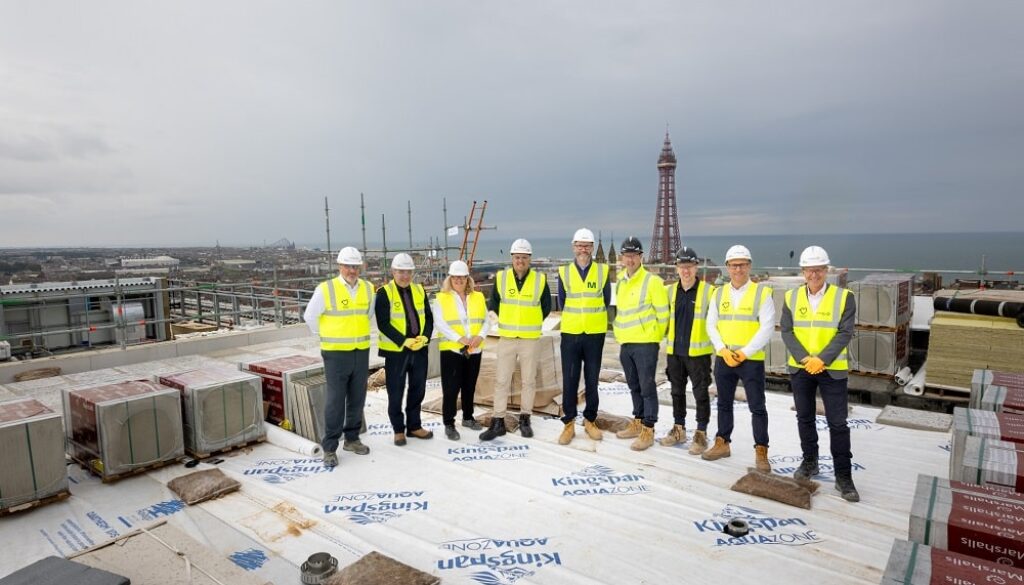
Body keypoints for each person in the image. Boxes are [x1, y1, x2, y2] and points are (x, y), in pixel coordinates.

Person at [781, 246, 860, 502]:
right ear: (803, 272)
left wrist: (822, 360)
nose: (814, 274)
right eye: (809, 270)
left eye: (819, 269)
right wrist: (806, 359)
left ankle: (843, 477)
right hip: (801, 368)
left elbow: (844, 333)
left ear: (827, 270)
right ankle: (810, 462)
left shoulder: (844, 297)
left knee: (838, 423)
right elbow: (787, 331)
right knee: (805, 418)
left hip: (832, 370)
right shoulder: (791, 298)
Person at [702, 245, 775, 472]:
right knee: (724, 403)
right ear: (727, 268)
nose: (738, 269)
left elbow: (767, 327)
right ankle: (722, 442)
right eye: (734, 265)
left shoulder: (762, 293)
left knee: (757, 407)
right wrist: (722, 349)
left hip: (750, 359)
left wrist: (744, 352)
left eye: (742, 264)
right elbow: (710, 324)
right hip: (725, 357)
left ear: (749, 266)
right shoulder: (719, 293)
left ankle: (761, 451)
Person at [303, 246, 375, 467]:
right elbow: (310, 317)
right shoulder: (326, 289)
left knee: (357, 397)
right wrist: (326, 336)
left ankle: (352, 439)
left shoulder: (369, 288)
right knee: (335, 401)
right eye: (347, 266)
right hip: (335, 354)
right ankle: (330, 447)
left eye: (355, 266)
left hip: (360, 351)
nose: (351, 270)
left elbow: (368, 316)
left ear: (360, 267)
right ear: (339, 266)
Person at [480, 238, 551, 440]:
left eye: (524, 257)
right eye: (517, 257)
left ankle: (525, 419)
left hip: (530, 338)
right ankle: (498, 421)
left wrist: (532, 322)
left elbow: (545, 307)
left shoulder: (540, 280)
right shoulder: (501, 278)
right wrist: (500, 323)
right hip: (508, 338)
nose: (520, 261)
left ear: (530, 259)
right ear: (512, 258)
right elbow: (492, 305)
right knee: (501, 380)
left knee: (528, 380)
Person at [612, 237, 669, 451]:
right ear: (622, 258)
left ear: (641, 257)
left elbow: (663, 314)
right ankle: (637, 421)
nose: (630, 259)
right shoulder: (620, 281)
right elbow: (622, 311)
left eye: (634, 255)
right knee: (633, 385)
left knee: (647, 387)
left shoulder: (652, 281)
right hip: (626, 343)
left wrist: (654, 336)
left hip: (645, 343)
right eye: (627, 255)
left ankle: (648, 429)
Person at [557, 228, 611, 445]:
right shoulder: (564, 272)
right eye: (579, 245)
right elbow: (562, 301)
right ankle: (568, 423)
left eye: (587, 245)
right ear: (573, 247)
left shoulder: (602, 271)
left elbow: (606, 300)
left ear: (592, 248)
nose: (583, 249)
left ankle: (590, 420)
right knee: (570, 380)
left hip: (594, 334)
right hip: (570, 334)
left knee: (591, 378)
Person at [660, 246, 716, 455]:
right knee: (676, 391)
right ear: (676, 268)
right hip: (675, 352)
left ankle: (701, 433)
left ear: (696, 267)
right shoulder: (670, 291)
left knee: (701, 394)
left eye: (690, 266)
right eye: (682, 266)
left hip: (698, 355)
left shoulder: (709, 292)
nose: (686, 271)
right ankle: (679, 428)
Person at [375, 253, 434, 446]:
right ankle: (398, 430)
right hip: (396, 353)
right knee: (396, 391)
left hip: (419, 350)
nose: (405, 276)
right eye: (401, 271)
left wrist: (425, 336)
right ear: (393, 272)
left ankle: (414, 426)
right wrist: (403, 341)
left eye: (408, 272)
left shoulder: (419, 290)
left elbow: (428, 317)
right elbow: (383, 324)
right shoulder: (384, 293)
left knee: (418, 389)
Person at [431, 260, 491, 441]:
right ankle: (449, 423)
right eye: (455, 277)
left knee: (469, 386)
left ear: (467, 279)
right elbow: (440, 324)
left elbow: (486, 320)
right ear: (450, 278)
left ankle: (467, 417)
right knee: (451, 389)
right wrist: (460, 339)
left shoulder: (478, 297)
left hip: (474, 350)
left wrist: (480, 336)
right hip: (453, 351)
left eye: (462, 277)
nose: (458, 280)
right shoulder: (442, 298)